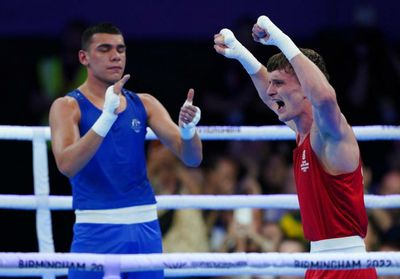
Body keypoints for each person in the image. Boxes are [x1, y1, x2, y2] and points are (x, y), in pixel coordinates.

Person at [214, 15, 377, 278]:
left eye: (278, 83)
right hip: (317, 261)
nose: (270, 91)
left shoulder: (331, 133)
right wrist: (242, 55)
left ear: (306, 88)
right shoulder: (302, 131)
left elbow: (324, 96)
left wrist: (281, 39)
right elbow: (271, 99)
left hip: (347, 266)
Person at [49, 22, 202, 279]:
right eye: (105, 49)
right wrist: (106, 118)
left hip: (144, 223)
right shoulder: (67, 107)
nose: (115, 55)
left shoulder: (144, 103)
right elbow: (67, 165)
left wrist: (188, 131)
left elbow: (192, 158)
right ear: (84, 57)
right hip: (95, 225)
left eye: (120, 49)